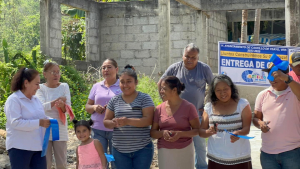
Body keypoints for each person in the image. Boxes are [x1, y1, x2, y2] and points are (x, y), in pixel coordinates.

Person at [158, 43, 213, 169]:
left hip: (198, 114)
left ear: (198, 58)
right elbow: (161, 82)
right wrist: (164, 100)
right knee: (179, 144)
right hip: (177, 116)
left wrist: (208, 104)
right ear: (183, 56)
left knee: (199, 146)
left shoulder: (204, 69)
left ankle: (201, 167)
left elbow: (213, 86)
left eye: (193, 57)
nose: (190, 60)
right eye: (187, 56)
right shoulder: (174, 68)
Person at [104, 65, 155, 169]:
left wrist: (127, 121)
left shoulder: (145, 98)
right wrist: (113, 123)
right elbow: (106, 121)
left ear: (136, 82)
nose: (125, 85)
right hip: (119, 150)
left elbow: (148, 120)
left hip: (143, 149)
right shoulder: (114, 100)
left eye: (129, 81)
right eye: (122, 82)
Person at [199, 74, 252, 169]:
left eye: (225, 89)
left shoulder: (242, 104)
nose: (222, 93)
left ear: (231, 88)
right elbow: (201, 132)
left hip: (239, 156)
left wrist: (239, 133)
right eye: (218, 90)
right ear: (214, 92)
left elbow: (247, 129)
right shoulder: (209, 107)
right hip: (216, 157)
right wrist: (208, 132)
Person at [253, 63, 300, 169]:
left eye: (275, 75)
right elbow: (256, 118)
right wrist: (260, 123)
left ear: (285, 75)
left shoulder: (294, 92)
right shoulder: (262, 95)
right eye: (269, 75)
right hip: (267, 154)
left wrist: (287, 79)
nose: (272, 79)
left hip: (292, 152)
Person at [5, 68, 50, 169]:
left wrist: (50, 120)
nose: (39, 87)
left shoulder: (36, 100)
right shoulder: (13, 100)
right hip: (19, 148)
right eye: (36, 84)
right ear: (26, 83)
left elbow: (41, 117)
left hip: (38, 147)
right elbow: (15, 123)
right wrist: (39, 123)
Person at [151, 76, 200, 169]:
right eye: (161, 88)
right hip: (164, 150)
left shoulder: (189, 107)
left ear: (174, 90)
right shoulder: (159, 109)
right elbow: (153, 133)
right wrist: (162, 133)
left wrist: (180, 134)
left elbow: (197, 130)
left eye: (164, 89)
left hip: (185, 150)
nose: (161, 91)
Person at [85, 59, 121, 169]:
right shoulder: (96, 86)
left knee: (117, 162)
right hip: (98, 130)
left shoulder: (123, 86)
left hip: (117, 129)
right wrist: (95, 107)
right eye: (103, 68)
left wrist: (113, 111)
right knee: (100, 163)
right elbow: (87, 107)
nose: (106, 70)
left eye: (109, 67)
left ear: (116, 69)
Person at [36, 61, 72, 169]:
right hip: (44, 128)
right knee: (45, 163)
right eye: (53, 72)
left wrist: (61, 106)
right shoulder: (40, 88)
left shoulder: (64, 86)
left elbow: (68, 108)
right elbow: (41, 107)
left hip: (60, 129)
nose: (56, 75)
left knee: (61, 162)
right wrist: (57, 100)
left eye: (58, 72)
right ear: (45, 74)